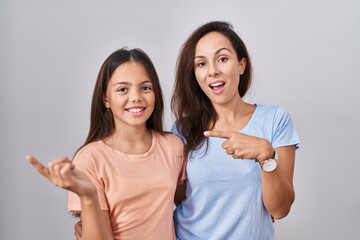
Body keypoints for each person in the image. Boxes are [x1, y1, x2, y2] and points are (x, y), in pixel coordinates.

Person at [27, 47, 186, 240]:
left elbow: (192, 209)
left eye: (145, 87)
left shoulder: (173, 147)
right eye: (122, 89)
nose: (136, 97)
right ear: (106, 99)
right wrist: (88, 196)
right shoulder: (90, 159)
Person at [170, 21, 300, 240]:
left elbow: (280, 209)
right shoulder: (183, 129)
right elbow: (179, 197)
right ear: (194, 74)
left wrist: (266, 156)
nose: (212, 71)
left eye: (222, 59)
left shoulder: (274, 120)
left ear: (241, 65)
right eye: (201, 64)